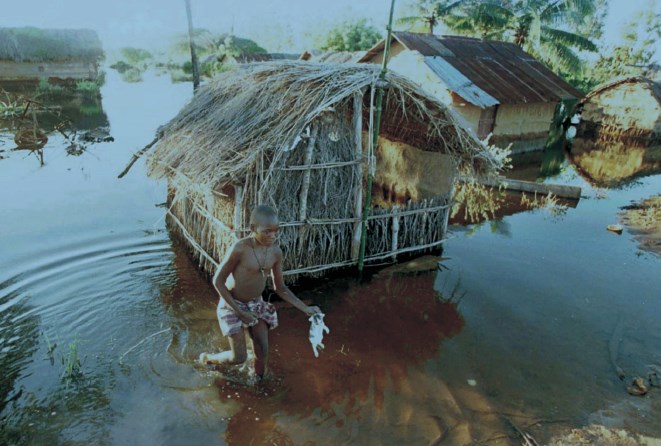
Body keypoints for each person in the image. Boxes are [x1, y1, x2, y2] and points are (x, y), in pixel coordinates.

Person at [200, 205, 321, 378]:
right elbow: (218, 281)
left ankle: (258, 383)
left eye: (276, 231)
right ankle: (209, 359)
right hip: (232, 304)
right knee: (238, 357)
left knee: (262, 351)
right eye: (267, 231)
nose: (273, 236)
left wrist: (305, 308)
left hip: (256, 303)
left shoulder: (276, 253)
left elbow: (280, 288)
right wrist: (240, 312)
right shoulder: (240, 249)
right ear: (253, 228)